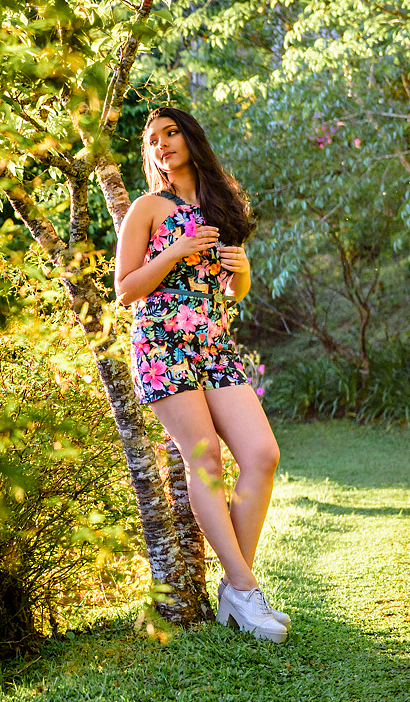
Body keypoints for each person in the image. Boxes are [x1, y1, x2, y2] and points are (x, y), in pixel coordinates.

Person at [114, 107, 289, 643]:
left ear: (190, 139)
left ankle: (238, 591)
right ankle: (244, 589)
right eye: (152, 139)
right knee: (206, 457)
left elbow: (234, 292)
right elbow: (124, 289)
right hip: (161, 343)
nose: (162, 144)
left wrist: (243, 274)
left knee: (262, 454)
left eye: (171, 133)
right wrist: (175, 250)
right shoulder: (147, 207)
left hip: (212, 343)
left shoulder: (221, 203)